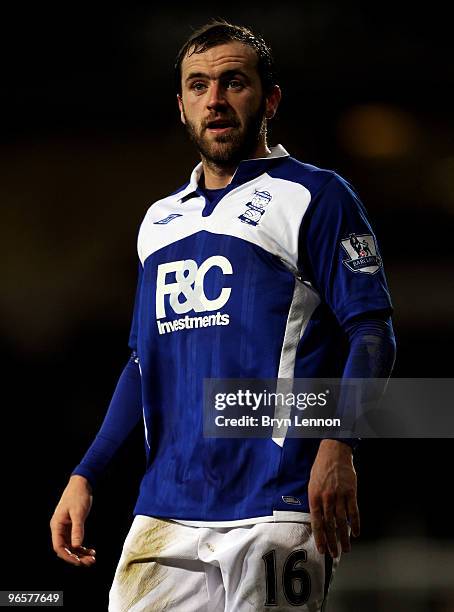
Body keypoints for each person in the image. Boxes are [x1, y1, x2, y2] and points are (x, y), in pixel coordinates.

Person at [50, 19, 396, 611]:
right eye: (197, 85)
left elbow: (372, 331)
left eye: (233, 82)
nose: (215, 100)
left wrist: (339, 445)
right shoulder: (158, 223)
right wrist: (86, 473)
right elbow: (142, 364)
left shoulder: (315, 195)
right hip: (166, 508)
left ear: (270, 99)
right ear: (181, 105)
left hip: (277, 503)